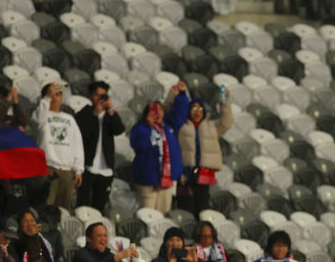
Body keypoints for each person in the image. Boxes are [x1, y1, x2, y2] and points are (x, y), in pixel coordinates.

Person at [130, 83, 190, 213]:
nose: (157, 113)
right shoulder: (140, 129)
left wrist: (181, 95)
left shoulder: (169, 127)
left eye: (160, 110)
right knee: (147, 215)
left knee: (163, 214)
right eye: (153, 110)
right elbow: (138, 145)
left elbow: (180, 113)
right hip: (148, 181)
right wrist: (147, 126)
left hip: (166, 180)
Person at [175, 93, 233, 216]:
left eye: (200, 108)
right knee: (186, 206)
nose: (197, 112)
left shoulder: (212, 126)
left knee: (202, 208)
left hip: (203, 172)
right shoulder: (181, 125)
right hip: (186, 172)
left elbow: (227, 121)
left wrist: (225, 100)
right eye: (194, 108)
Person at [75, 81, 126, 212]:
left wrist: (111, 111)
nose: (100, 99)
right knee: (83, 205)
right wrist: (94, 115)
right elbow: (81, 135)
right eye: (97, 95)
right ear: (90, 96)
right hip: (88, 167)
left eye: (104, 96)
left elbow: (119, 130)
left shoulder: (110, 114)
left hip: (105, 168)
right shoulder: (84, 113)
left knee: (99, 207)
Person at [33, 82, 84, 210]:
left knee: (63, 209)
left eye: (59, 94)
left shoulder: (70, 119)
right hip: (46, 167)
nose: (56, 97)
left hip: (66, 169)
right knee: (45, 205)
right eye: (53, 94)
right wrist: (46, 99)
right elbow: (38, 121)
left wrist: (78, 169)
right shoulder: (41, 115)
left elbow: (77, 144)